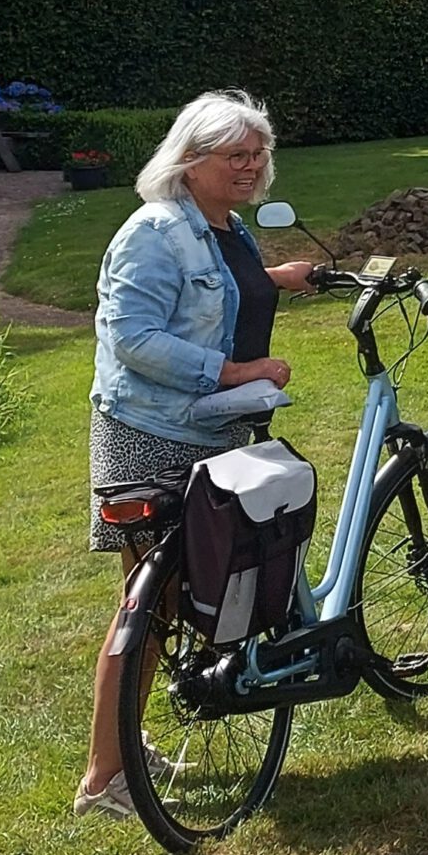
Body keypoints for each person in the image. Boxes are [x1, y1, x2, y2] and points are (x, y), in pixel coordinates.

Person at [80, 91, 314, 818]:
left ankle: (123, 749)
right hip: (151, 434)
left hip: (211, 432)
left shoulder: (226, 227)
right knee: (149, 608)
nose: (252, 166)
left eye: (259, 153)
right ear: (189, 159)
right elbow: (134, 339)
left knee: (184, 600)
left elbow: (213, 297)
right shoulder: (154, 231)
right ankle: (104, 778)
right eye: (235, 155)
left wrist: (276, 281)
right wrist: (235, 372)